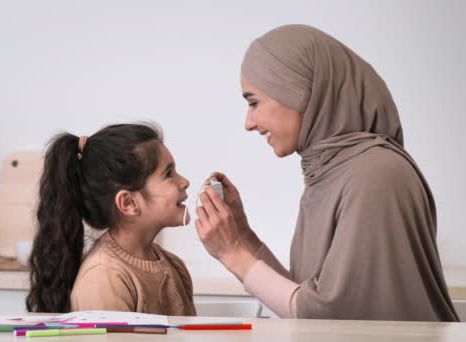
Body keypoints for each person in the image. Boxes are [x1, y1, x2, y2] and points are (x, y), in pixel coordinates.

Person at [195, 24, 459, 321]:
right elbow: (305, 298)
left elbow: (325, 314)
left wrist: (232, 254)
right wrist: (243, 236)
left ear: (299, 91)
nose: (249, 122)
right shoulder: (330, 175)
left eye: (254, 102)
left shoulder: (375, 177)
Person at [26, 123, 196, 316]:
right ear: (128, 202)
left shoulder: (174, 266)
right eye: (169, 174)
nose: (184, 182)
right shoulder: (105, 278)